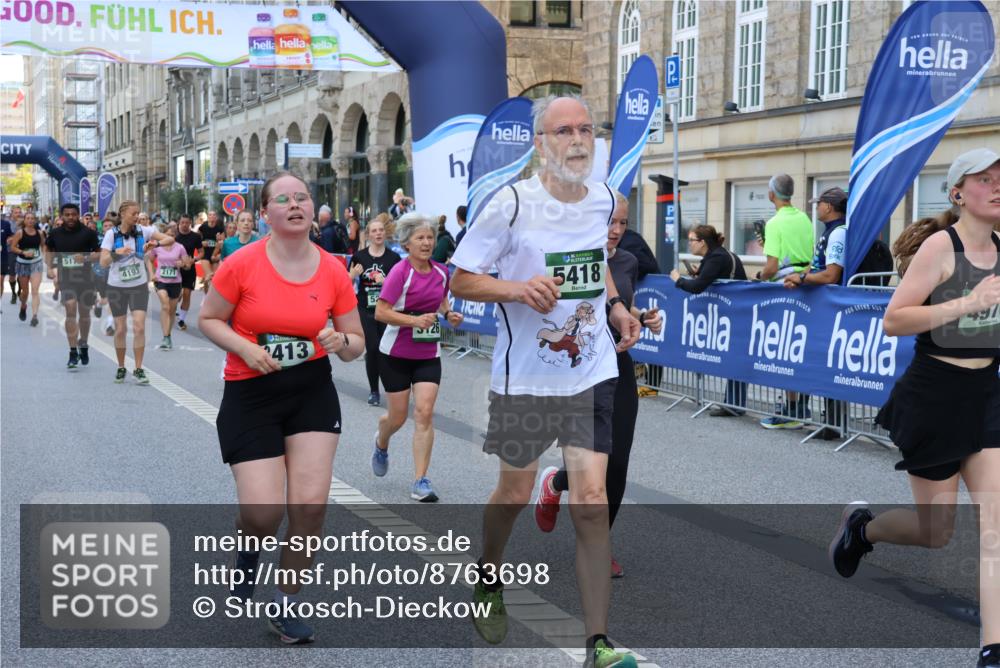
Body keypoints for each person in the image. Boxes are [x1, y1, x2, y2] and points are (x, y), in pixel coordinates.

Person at [450, 95, 641, 668]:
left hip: (591, 373)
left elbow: (596, 262)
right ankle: (488, 573)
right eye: (564, 131)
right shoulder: (511, 203)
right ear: (540, 144)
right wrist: (516, 289)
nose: (578, 139)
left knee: (591, 501)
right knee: (514, 492)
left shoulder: (603, 198)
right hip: (527, 380)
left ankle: (598, 644)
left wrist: (616, 308)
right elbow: (461, 279)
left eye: (585, 129)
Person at [829, 149, 1000, 668]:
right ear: (957, 193)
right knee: (936, 532)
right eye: (984, 178)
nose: (997, 185)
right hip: (933, 397)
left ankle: (992, 648)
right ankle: (863, 529)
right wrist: (967, 302)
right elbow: (894, 320)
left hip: (987, 395)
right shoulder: (939, 248)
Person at [199, 171, 363, 645]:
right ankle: (249, 545)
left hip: (311, 391)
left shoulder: (333, 269)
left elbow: (356, 343)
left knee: (309, 507)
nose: (295, 204)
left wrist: (340, 342)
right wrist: (246, 349)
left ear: (312, 209)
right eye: (283, 199)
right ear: (265, 213)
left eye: (302, 197)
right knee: (263, 515)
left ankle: (285, 604)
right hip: (251, 392)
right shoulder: (242, 264)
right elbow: (209, 318)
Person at [534, 192, 662, 579]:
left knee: (617, 461)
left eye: (623, 223)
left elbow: (618, 301)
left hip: (617, 363)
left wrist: (641, 316)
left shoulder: (627, 261)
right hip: (575, 366)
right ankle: (559, 484)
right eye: (610, 222)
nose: (616, 230)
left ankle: (597, 543)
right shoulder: (568, 254)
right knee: (587, 462)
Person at [371, 213, 462, 502]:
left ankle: (420, 480)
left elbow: (441, 299)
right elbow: (381, 312)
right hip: (395, 352)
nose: (426, 243)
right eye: (420, 238)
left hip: (427, 353)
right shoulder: (400, 272)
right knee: (397, 417)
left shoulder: (441, 272)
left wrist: (448, 313)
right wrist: (414, 321)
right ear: (407, 243)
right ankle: (382, 440)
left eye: (430, 238)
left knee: (424, 413)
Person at [783, 186, 849, 436]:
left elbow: (831, 275)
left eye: (818, 204)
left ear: (829, 206)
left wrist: (802, 278)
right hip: (822, 306)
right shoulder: (830, 232)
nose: (816, 208)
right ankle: (828, 421)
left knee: (830, 363)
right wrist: (800, 278)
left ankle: (833, 424)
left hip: (830, 308)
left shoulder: (839, 232)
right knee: (821, 361)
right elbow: (817, 267)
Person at [670, 224, 748, 417]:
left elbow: (697, 287)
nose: (689, 244)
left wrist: (678, 280)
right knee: (732, 357)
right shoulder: (715, 256)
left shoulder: (716, 257)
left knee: (736, 357)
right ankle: (732, 403)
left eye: (692, 240)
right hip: (730, 313)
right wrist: (700, 274)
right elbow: (707, 278)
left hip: (735, 314)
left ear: (703, 242)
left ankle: (734, 405)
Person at [755, 173, 815, 427]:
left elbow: (771, 266)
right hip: (806, 286)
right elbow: (810, 256)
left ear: (772, 194)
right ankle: (801, 407)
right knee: (801, 349)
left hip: (783, 290)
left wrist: (758, 277)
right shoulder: (804, 218)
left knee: (784, 351)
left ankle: (791, 410)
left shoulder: (774, 223)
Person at [99, 200, 175, 384]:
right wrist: (117, 253)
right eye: (133, 214)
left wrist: (155, 244)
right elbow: (103, 262)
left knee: (139, 327)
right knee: (120, 329)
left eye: (138, 213)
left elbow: (170, 239)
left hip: (138, 285)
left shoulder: (144, 230)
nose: (137, 217)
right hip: (117, 286)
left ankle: (139, 369)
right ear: (122, 214)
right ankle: (121, 366)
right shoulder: (111, 234)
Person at [348, 213, 401, 406]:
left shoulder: (394, 258)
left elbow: (401, 287)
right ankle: (374, 391)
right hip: (365, 308)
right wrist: (352, 275)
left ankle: (392, 388)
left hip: (386, 309)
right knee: (372, 347)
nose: (378, 233)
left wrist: (386, 282)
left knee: (385, 349)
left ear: (385, 234)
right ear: (368, 234)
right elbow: (344, 284)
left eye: (381, 230)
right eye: (374, 231)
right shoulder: (359, 257)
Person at [148, 225, 192, 351]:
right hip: (160, 281)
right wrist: (152, 274)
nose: (169, 237)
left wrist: (182, 264)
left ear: (175, 236)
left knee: (172, 311)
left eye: (172, 235)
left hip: (175, 282)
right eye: (167, 234)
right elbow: (149, 260)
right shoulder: (157, 247)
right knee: (165, 306)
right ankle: (166, 337)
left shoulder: (180, 247)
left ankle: (168, 336)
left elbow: (187, 266)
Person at [9, 211, 46, 326]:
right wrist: (23, 252)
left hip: (36, 263)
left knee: (35, 291)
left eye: (32, 218)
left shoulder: (40, 233)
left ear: (35, 220)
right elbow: (13, 247)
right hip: (22, 264)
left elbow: (43, 245)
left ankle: (34, 316)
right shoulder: (20, 233)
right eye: (28, 218)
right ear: (24, 221)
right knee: (25, 292)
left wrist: (44, 256)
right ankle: (23, 305)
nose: (30, 220)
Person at [173, 214, 202, 331]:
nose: (184, 225)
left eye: (187, 223)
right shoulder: (174, 237)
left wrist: (194, 259)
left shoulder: (195, 237)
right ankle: (173, 310)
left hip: (189, 269)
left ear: (190, 223)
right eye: (182, 222)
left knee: (187, 293)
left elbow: (201, 252)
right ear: (179, 223)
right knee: (176, 295)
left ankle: (181, 319)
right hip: (176, 269)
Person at [198, 209, 226, 292]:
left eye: (214, 215)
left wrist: (219, 240)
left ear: (216, 217)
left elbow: (223, 241)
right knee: (209, 275)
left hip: (215, 254)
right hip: (205, 254)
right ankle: (206, 289)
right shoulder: (203, 227)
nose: (212, 216)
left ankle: (210, 294)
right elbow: (197, 239)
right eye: (210, 215)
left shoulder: (219, 228)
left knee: (214, 278)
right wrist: (201, 243)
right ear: (208, 217)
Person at [1, 210, 14, 308]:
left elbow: (11, 236)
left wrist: (9, 240)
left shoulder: (5, 224)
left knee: (0, 280)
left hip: (2, 256)